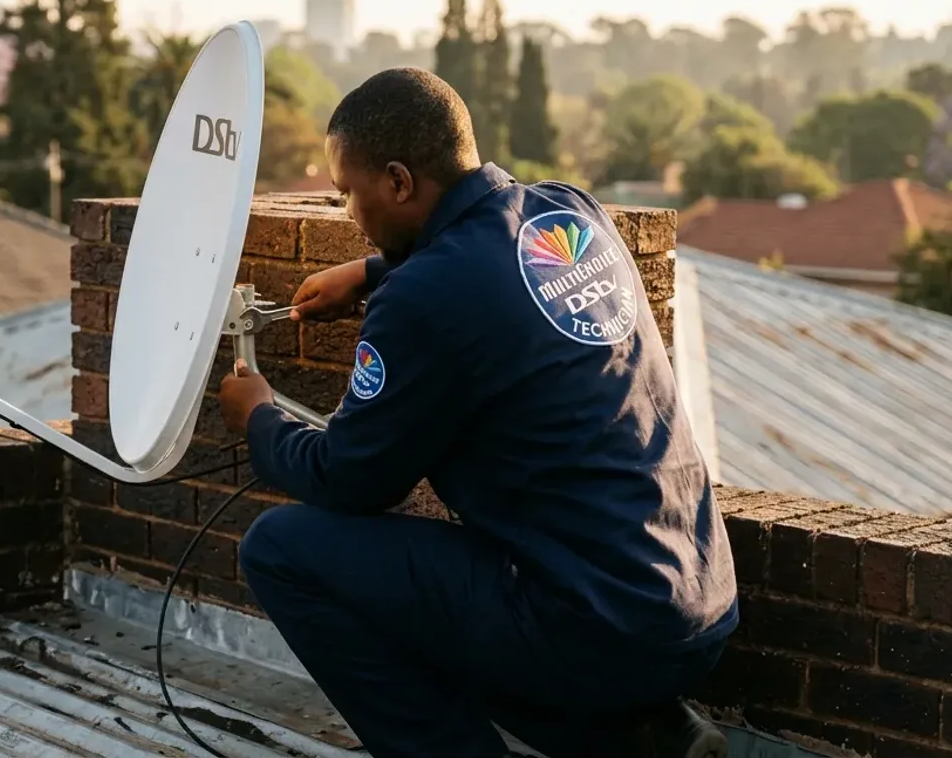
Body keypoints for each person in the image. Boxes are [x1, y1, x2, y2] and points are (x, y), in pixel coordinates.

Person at [216, 67, 737, 758]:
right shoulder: (569, 210)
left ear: (399, 182)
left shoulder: (426, 298)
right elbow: (495, 268)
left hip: (597, 626)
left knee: (281, 550)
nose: (349, 216)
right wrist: (374, 272)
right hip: (698, 603)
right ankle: (638, 737)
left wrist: (258, 417)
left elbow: (351, 479)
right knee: (461, 594)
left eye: (349, 195)